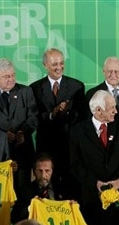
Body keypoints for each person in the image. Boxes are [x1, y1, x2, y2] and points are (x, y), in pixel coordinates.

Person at [70, 90, 119, 225]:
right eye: (112, 108)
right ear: (98, 110)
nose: (116, 111)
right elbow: (75, 164)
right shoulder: (78, 131)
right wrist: (94, 183)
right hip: (92, 199)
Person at [0, 58, 38, 191]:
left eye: (13, 75)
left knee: (22, 190)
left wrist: (23, 132)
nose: (11, 79)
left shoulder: (25, 91)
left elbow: (33, 117)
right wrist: (3, 135)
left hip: (22, 149)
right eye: (6, 76)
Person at [30, 48, 86, 190]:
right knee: (46, 186)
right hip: (46, 144)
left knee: (69, 185)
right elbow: (34, 116)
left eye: (61, 63)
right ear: (45, 65)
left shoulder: (77, 86)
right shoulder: (34, 88)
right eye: (54, 64)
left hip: (69, 144)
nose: (59, 67)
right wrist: (51, 115)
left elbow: (82, 116)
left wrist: (67, 113)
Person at [11, 153, 68, 223]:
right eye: (40, 171)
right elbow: (14, 218)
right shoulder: (24, 191)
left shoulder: (62, 189)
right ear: (34, 172)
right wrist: (31, 208)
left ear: (52, 171)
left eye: (47, 171)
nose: (43, 175)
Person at [86, 56, 119, 121]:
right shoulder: (92, 93)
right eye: (109, 71)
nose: (113, 75)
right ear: (104, 71)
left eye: (116, 71)